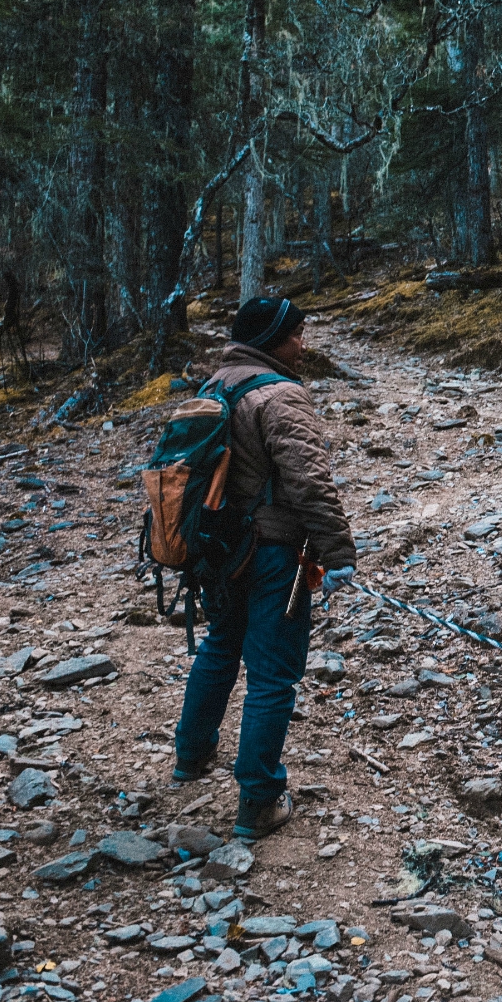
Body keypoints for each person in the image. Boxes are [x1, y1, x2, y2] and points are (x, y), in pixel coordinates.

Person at [171, 297, 358, 841]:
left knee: (222, 646)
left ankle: (191, 754)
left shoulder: (214, 387)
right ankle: (258, 799)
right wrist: (339, 555)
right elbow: (309, 482)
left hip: (216, 550)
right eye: (297, 333)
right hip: (273, 554)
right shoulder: (280, 394)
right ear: (274, 337)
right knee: (273, 674)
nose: (303, 343)